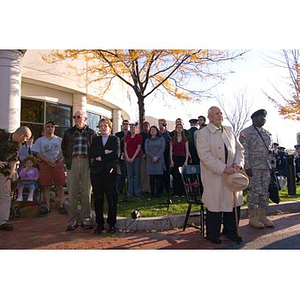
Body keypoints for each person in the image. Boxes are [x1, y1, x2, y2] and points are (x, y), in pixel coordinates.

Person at [197, 106, 245, 244]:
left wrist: (237, 164)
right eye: (216, 113)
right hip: (214, 175)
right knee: (215, 204)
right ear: (210, 117)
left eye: (221, 113)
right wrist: (223, 168)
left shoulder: (229, 130)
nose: (220, 115)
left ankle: (231, 232)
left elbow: (239, 149)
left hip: (232, 174)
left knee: (232, 203)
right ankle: (213, 234)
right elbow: (204, 156)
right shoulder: (203, 133)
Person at [239, 109, 275, 229]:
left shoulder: (267, 134)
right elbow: (244, 151)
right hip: (253, 168)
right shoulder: (246, 133)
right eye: (260, 117)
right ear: (254, 118)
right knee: (254, 192)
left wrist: (271, 166)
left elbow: (270, 152)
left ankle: (262, 216)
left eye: (264, 117)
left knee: (264, 192)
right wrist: (247, 167)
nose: (263, 119)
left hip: (265, 168)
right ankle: (253, 217)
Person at [61, 110, 97, 230]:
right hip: (73, 162)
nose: (76, 119)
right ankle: (72, 220)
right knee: (72, 192)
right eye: (74, 117)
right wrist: (68, 160)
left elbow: (94, 149)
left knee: (86, 192)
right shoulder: (68, 133)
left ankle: (86, 219)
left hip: (87, 162)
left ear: (85, 119)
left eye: (79, 117)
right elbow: (64, 148)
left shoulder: (92, 133)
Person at [89, 118, 121, 234]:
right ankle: (100, 224)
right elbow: (92, 153)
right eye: (100, 126)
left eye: (105, 126)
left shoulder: (115, 139)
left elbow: (116, 154)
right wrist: (105, 152)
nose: (102, 128)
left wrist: (100, 156)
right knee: (98, 199)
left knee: (111, 198)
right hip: (97, 173)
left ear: (110, 127)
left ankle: (112, 224)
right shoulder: (95, 139)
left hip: (111, 172)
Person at [0, 126, 32, 231]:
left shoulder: (18, 145)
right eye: (26, 138)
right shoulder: (2, 135)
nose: (26, 141)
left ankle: (2, 221)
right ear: (21, 135)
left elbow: (13, 161)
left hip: (3, 172)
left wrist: (9, 178)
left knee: (5, 194)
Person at [32, 121, 66, 215]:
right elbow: (38, 153)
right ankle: (47, 206)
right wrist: (47, 160)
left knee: (60, 185)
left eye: (52, 126)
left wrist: (55, 160)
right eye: (48, 126)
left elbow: (63, 152)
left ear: (54, 128)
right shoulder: (40, 141)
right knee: (46, 186)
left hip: (57, 164)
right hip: (44, 164)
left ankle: (61, 205)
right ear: (45, 129)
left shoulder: (59, 140)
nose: (50, 128)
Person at [145, 125, 166, 198]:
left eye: (154, 130)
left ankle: (158, 193)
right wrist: (152, 157)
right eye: (151, 130)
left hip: (159, 160)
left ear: (157, 131)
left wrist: (157, 157)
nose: (152, 131)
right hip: (150, 161)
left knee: (159, 178)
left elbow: (162, 148)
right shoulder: (147, 140)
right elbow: (146, 150)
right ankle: (152, 193)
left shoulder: (161, 139)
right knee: (152, 178)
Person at [170, 123, 189, 197]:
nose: (179, 129)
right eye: (177, 127)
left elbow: (187, 151)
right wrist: (171, 160)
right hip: (175, 158)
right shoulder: (172, 139)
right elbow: (171, 151)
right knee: (175, 175)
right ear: (175, 129)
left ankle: (183, 193)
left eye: (180, 127)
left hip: (183, 158)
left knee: (182, 176)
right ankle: (176, 193)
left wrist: (186, 161)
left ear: (182, 129)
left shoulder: (185, 139)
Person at [124, 122, 142, 198]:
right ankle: (130, 192)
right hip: (128, 157)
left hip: (137, 157)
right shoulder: (126, 137)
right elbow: (125, 148)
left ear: (136, 128)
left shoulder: (139, 137)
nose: (132, 128)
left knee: (137, 175)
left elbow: (139, 148)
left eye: (133, 127)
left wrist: (133, 157)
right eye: (131, 127)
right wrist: (127, 157)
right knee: (129, 175)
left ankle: (137, 192)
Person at [115, 120, 130, 194]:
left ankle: (129, 189)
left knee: (129, 172)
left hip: (129, 155)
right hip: (120, 156)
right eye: (124, 124)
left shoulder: (131, 134)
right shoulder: (118, 134)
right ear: (122, 125)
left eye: (127, 124)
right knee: (121, 173)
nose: (125, 125)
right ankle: (120, 188)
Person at [158, 119, 171, 195]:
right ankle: (160, 188)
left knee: (167, 171)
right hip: (159, 154)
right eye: (159, 124)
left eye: (161, 124)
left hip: (166, 154)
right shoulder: (158, 134)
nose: (160, 125)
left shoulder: (168, 134)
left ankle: (167, 187)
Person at [140, 121, 150, 194]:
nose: (145, 127)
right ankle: (143, 188)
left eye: (147, 125)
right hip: (142, 155)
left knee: (149, 173)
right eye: (144, 125)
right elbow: (139, 146)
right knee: (143, 172)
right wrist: (143, 154)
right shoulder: (140, 135)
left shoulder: (151, 135)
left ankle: (149, 188)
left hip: (150, 156)